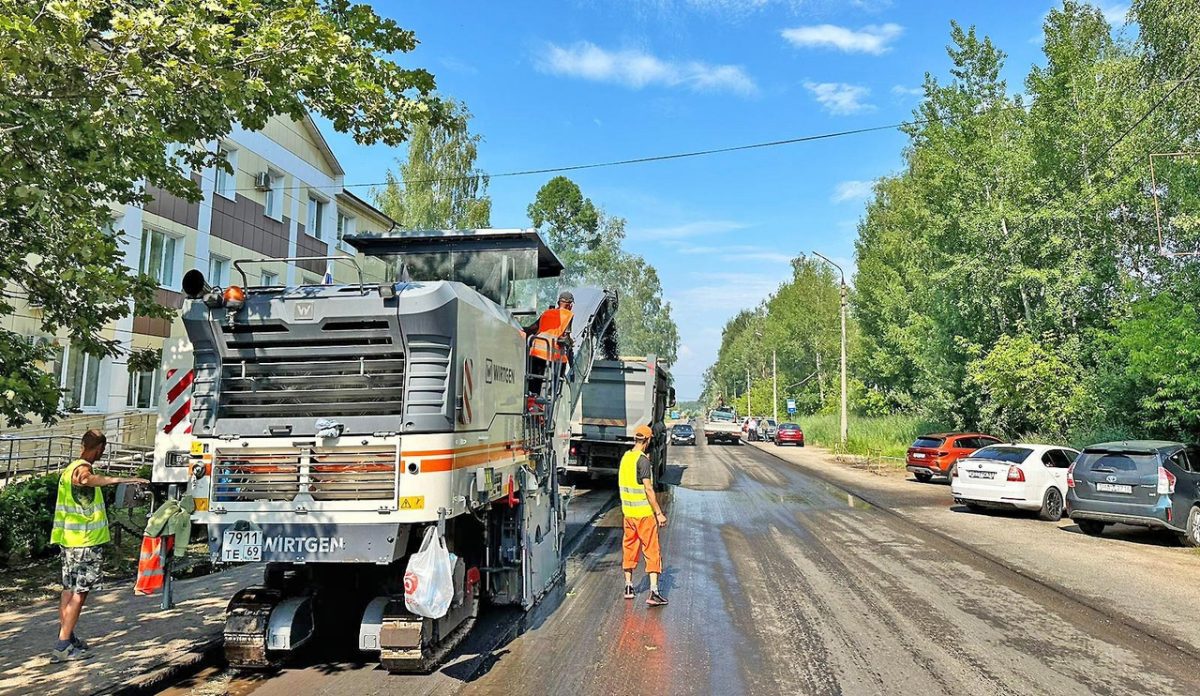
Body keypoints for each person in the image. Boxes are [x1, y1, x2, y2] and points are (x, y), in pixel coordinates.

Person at [49, 429, 148, 662]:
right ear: (101, 448)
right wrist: (122, 479)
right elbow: (85, 479)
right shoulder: (82, 469)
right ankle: (63, 646)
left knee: (68, 590)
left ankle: (67, 636)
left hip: (69, 541)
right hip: (84, 542)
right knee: (79, 594)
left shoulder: (68, 468)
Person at [619, 425, 668, 607]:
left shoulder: (626, 458)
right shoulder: (643, 461)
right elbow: (648, 488)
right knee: (651, 550)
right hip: (644, 515)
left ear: (635, 439)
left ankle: (629, 587)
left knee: (629, 548)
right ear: (647, 441)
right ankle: (654, 592)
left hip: (628, 514)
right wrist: (659, 513)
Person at [527, 291, 575, 396]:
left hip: (536, 351)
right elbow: (564, 337)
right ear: (570, 305)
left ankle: (533, 402)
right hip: (552, 352)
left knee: (534, 380)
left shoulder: (547, 312)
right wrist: (571, 342)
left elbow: (533, 328)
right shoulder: (569, 315)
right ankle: (552, 393)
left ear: (558, 302)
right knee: (560, 368)